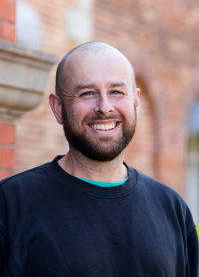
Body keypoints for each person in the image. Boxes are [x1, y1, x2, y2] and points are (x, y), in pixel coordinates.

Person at [0, 42, 198, 277]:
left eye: (116, 91)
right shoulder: (11, 205)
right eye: (87, 93)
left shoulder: (172, 209)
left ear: (135, 102)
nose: (104, 107)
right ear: (58, 108)